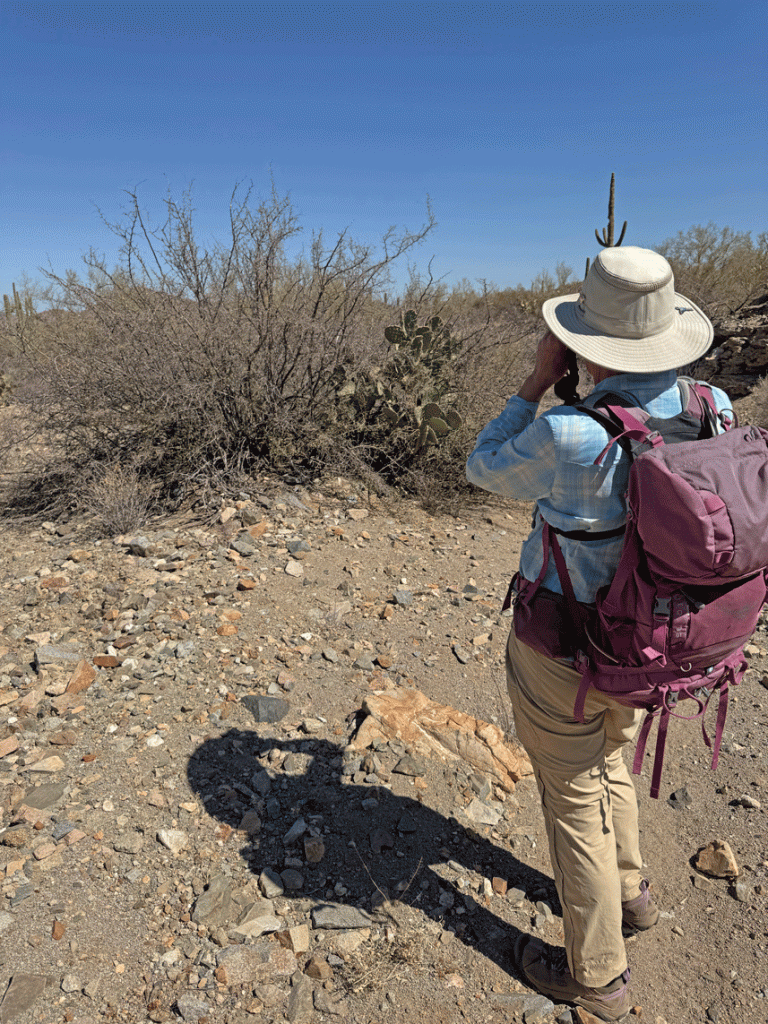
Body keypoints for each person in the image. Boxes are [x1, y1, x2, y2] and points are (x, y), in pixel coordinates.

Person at [466, 246, 731, 1022]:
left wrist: (534, 383)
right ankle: (632, 891)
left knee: (573, 795)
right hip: (664, 641)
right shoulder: (713, 406)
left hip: (567, 644)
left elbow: (483, 466)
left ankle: (599, 978)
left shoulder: (568, 432)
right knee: (612, 752)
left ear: (583, 342)